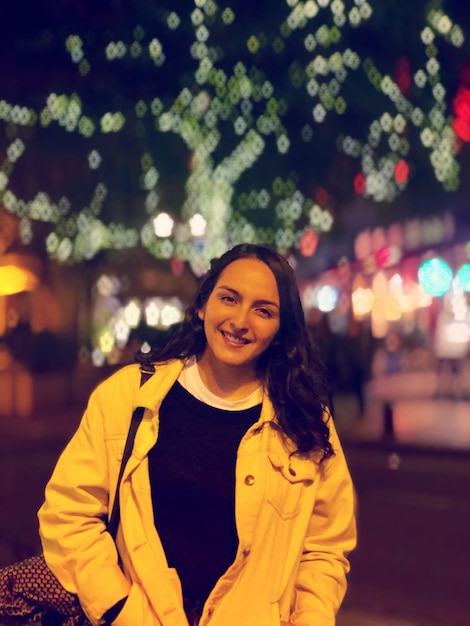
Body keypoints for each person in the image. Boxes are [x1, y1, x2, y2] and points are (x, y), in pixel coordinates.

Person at [38, 243, 356, 626]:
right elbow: (68, 512)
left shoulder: (303, 421)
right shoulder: (129, 397)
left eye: (263, 310)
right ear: (203, 305)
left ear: (280, 329)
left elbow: (325, 548)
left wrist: (311, 617)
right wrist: (118, 608)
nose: (240, 321)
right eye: (229, 298)